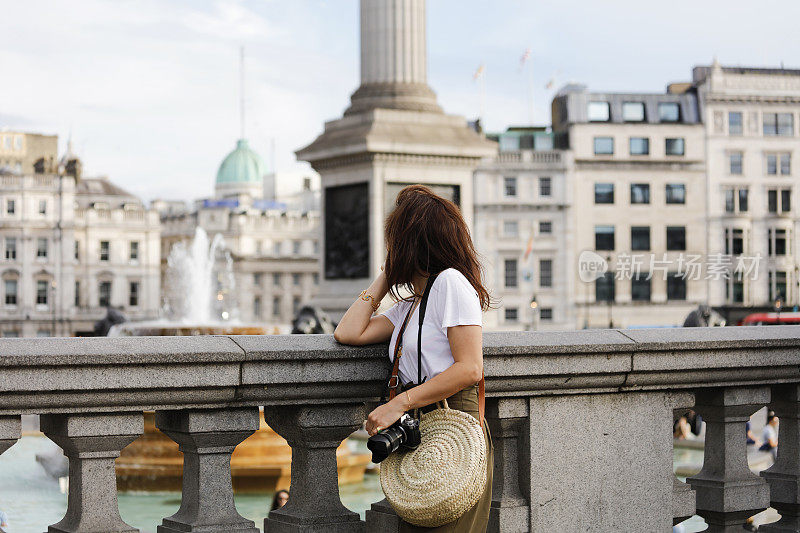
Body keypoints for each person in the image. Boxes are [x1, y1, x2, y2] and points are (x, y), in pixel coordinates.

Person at [334, 184, 493, 532]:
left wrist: (399, 404)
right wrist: (386, 276)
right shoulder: (410, 305)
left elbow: (470, 368)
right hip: (417, 427)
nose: (389, 247)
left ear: (409, 242)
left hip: (451, 427)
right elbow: (348, 333)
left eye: (395, 241)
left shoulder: (451, 283)